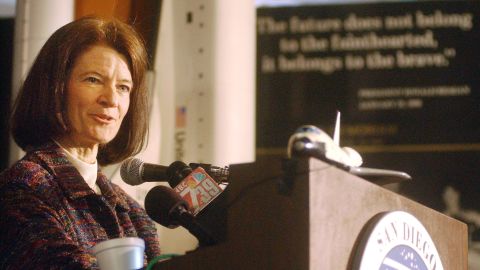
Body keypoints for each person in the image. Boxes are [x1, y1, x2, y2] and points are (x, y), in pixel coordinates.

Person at [0, 16, 160, 269]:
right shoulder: (24, 186)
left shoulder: (131, 212)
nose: (111, 99)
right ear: (55, 88)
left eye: (123, 87)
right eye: (93, 80)